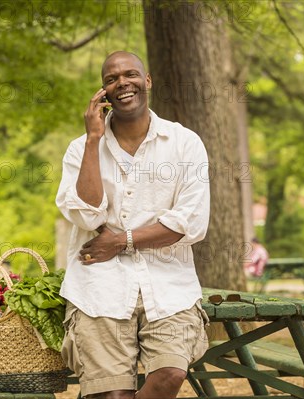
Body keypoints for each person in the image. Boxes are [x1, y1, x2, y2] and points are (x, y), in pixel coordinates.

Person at [56, 51, 210, 399]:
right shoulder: (80, 149)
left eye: (130, 74)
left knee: (170, 374)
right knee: (112, 395)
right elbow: (87, 214)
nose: (122, 83)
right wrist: (94, 140)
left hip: (170, 287)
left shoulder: (184, 143)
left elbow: (190, 223)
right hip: (98, 288)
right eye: (111, 79)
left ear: (147, 80)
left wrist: (121, 240)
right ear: (103, 93)